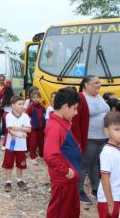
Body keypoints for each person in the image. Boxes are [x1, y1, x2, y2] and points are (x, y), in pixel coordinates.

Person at [71, 75, 110, 204]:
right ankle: (78, 191)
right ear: (86, 84)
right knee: (83, 165)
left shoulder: (99, 96)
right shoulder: (81, 98)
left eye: (99, 83)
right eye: (95, 83)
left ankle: (96, 189)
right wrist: (78, 140)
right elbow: (76, 121)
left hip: (103, 138)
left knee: (96, 164)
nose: (98, 85)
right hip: (89, 138)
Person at [44, 87, 81, 218]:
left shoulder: (63, 123)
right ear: (65, 106)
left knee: (71, 210)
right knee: (59, 212)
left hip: (69, 181)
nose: (76, 113)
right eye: (74, 109)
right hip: (63, 181)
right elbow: (49, 156)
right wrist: (67, 171)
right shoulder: (55, 127)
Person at [2, 96, 31, 192]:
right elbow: (10, 130)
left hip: (22, 146)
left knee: (20, 164)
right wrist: (19, 135)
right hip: (11, 144)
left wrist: (18, 128)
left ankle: (19, 179)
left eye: (23, 104)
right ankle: (8, 181)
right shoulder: (9, 116)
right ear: (13, 105)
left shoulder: (25, 116)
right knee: (8, 163)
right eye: (19, 104)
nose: (22, 106)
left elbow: (29, 129)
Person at [97, 112, 120, 218]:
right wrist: (110, 204)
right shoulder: (107, 152)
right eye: (117, 129)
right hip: (109, 199)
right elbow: (105, 178)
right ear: (106, 130)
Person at [26, 90, 46, 165]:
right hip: (33, 129)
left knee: (41, 143)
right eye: (34, 97)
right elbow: (26, 115)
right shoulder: (31, 107)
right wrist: (30, 123)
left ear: (40, 98)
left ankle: (41, 155)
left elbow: (44, 116)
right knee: (33, 143)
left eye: (37, 97)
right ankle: (33, 156)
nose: (36, 99)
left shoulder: (42, 107)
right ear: (31, 98)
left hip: (41, 129)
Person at [0, 85, 14, 150]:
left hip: (5, 114)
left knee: (7, 129)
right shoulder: (14, 98)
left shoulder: (3, 98)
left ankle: (5, 144)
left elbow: (2, 107)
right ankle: (5, 144)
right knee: (10, 130)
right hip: (11, 114)